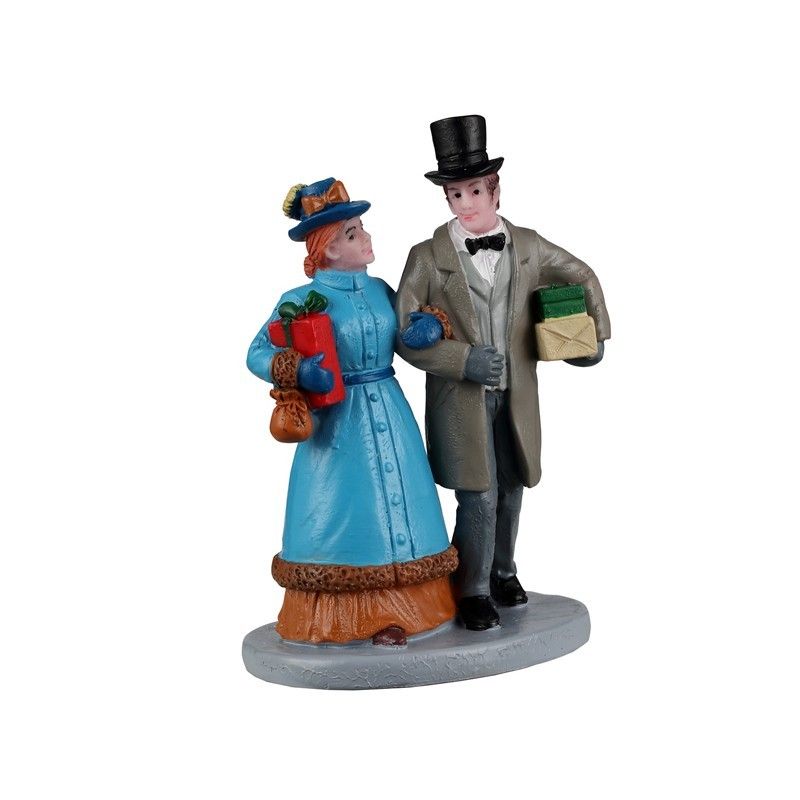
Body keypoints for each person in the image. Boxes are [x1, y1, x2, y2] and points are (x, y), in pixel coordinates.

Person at [396, 116, 611, 631]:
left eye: (474, 191)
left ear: (495, 190)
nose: (465, 204)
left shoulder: (528, 246)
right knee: (479, 494)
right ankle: (470, 587)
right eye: (455, 194)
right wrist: (463, 359)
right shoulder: (426, 258)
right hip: (461, 401)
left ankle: (502, 571)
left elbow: (581, 274)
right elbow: (404, 333)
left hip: (516, 394)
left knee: (513, 487)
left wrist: (593, 337)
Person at [247, 178, 457, 645]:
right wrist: (298, 369)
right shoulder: (299, 302)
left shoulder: (381, 289)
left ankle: (418, 609)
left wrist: (426, 326)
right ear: (328, 249)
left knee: (408, 500)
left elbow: (403, 332)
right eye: (352, 233)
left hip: (390, 407)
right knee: (349, 508)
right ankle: (350, 617)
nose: (365, 237)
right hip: (339, 424)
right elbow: (257, 352)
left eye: (361, 228)